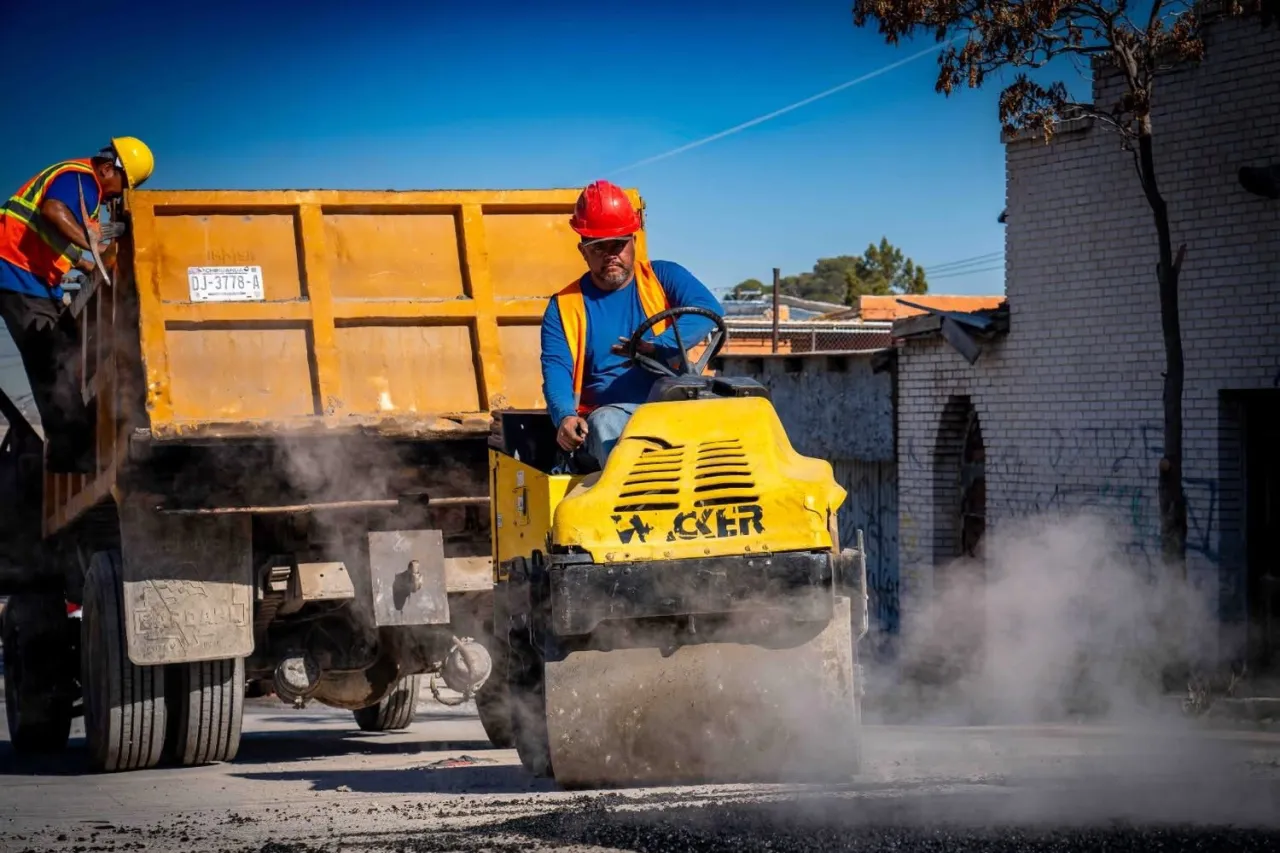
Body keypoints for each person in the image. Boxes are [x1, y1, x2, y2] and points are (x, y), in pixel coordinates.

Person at [540, 180, 724, 470]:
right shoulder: (563, 306)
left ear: (633, 243)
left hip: (671, 403)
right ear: (583, 251)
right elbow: (556, 368)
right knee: (607, 424)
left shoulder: (664, 276)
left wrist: (657, 346)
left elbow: (707, 311)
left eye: (618, 244)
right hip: (607, 414)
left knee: (737, 412)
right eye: (599, 247)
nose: (611, 254)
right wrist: (564, 415)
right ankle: (639, 507)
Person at [0, 137, 155, 473]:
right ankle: (68, 453)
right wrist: (92, 247)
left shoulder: (85, 190)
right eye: (122, 184)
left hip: (36, 280)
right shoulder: (80, 179)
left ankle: (82, 439)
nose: (118, 194)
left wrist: (83, 263)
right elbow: (53, 212)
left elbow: (47, 233)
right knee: (52, 361)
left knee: (74, 352)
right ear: (107, 168)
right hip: (15, 273)